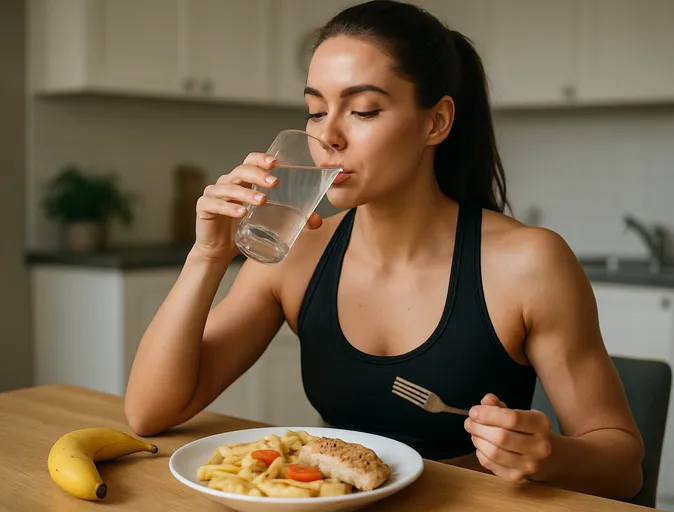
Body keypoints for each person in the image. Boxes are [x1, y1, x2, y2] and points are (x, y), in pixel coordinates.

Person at [125, 0, 643, 501]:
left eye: (364, 110)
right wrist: (208, 255)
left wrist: (547, 456)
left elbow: (624, 467)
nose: (327, 135)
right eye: (315, 110)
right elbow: (150, 413)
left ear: (436, 122)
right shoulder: (298, 251)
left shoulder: (529, 263)